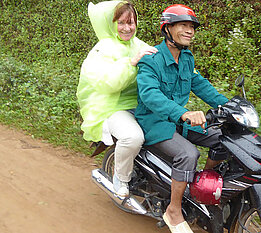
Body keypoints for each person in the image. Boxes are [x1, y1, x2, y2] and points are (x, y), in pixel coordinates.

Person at [135, 4, 228, 233]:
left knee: (223, 139)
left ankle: (202, 192)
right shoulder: (152, 60)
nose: (189, 30)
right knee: (188, 154)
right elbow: (150, 95)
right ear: (167, 28)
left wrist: (229, 106)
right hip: (154, 123)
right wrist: (183, 112)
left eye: (192, 27)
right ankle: (173, 210)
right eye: (183, 25)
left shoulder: (187, 58)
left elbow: (201, 85)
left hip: (178, 121)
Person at [76, 0, 157, 197]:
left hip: (140, 105)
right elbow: (109, 83)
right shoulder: (102, 49)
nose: (127, 28)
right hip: (111, 107)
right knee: (133, 137)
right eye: (121, 23)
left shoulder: (138, 44)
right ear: (111, 24)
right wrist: (132, 62)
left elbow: (160, 61)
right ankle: (120, 177)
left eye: (131, 22)